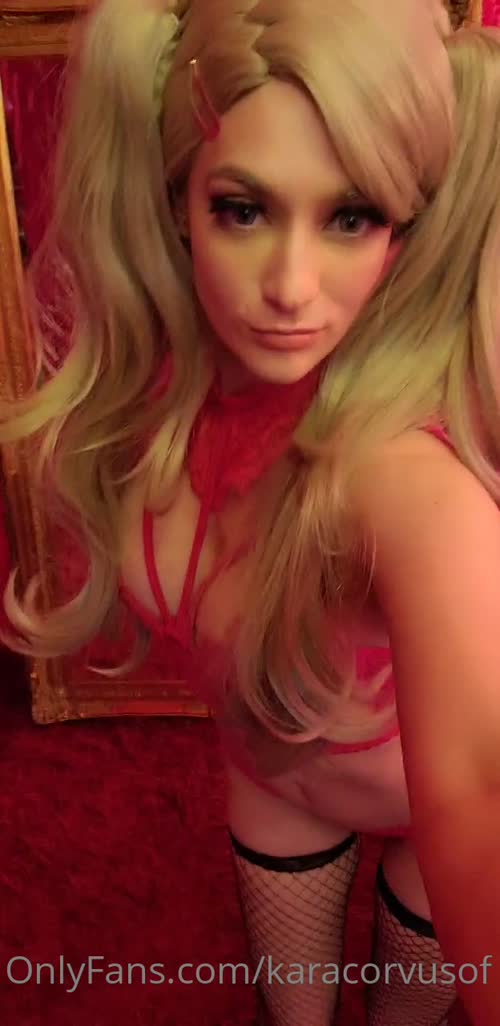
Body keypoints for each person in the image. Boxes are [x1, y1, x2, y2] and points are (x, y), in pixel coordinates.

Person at [1, 1, 500, 1023]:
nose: (289, 287)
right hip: (275, 781)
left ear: (406, 227)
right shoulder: (151, 410)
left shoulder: (404, 484)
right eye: (242, 209)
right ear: (175, 198)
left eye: (351, 216)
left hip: (422, 814)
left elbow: (485, 792)